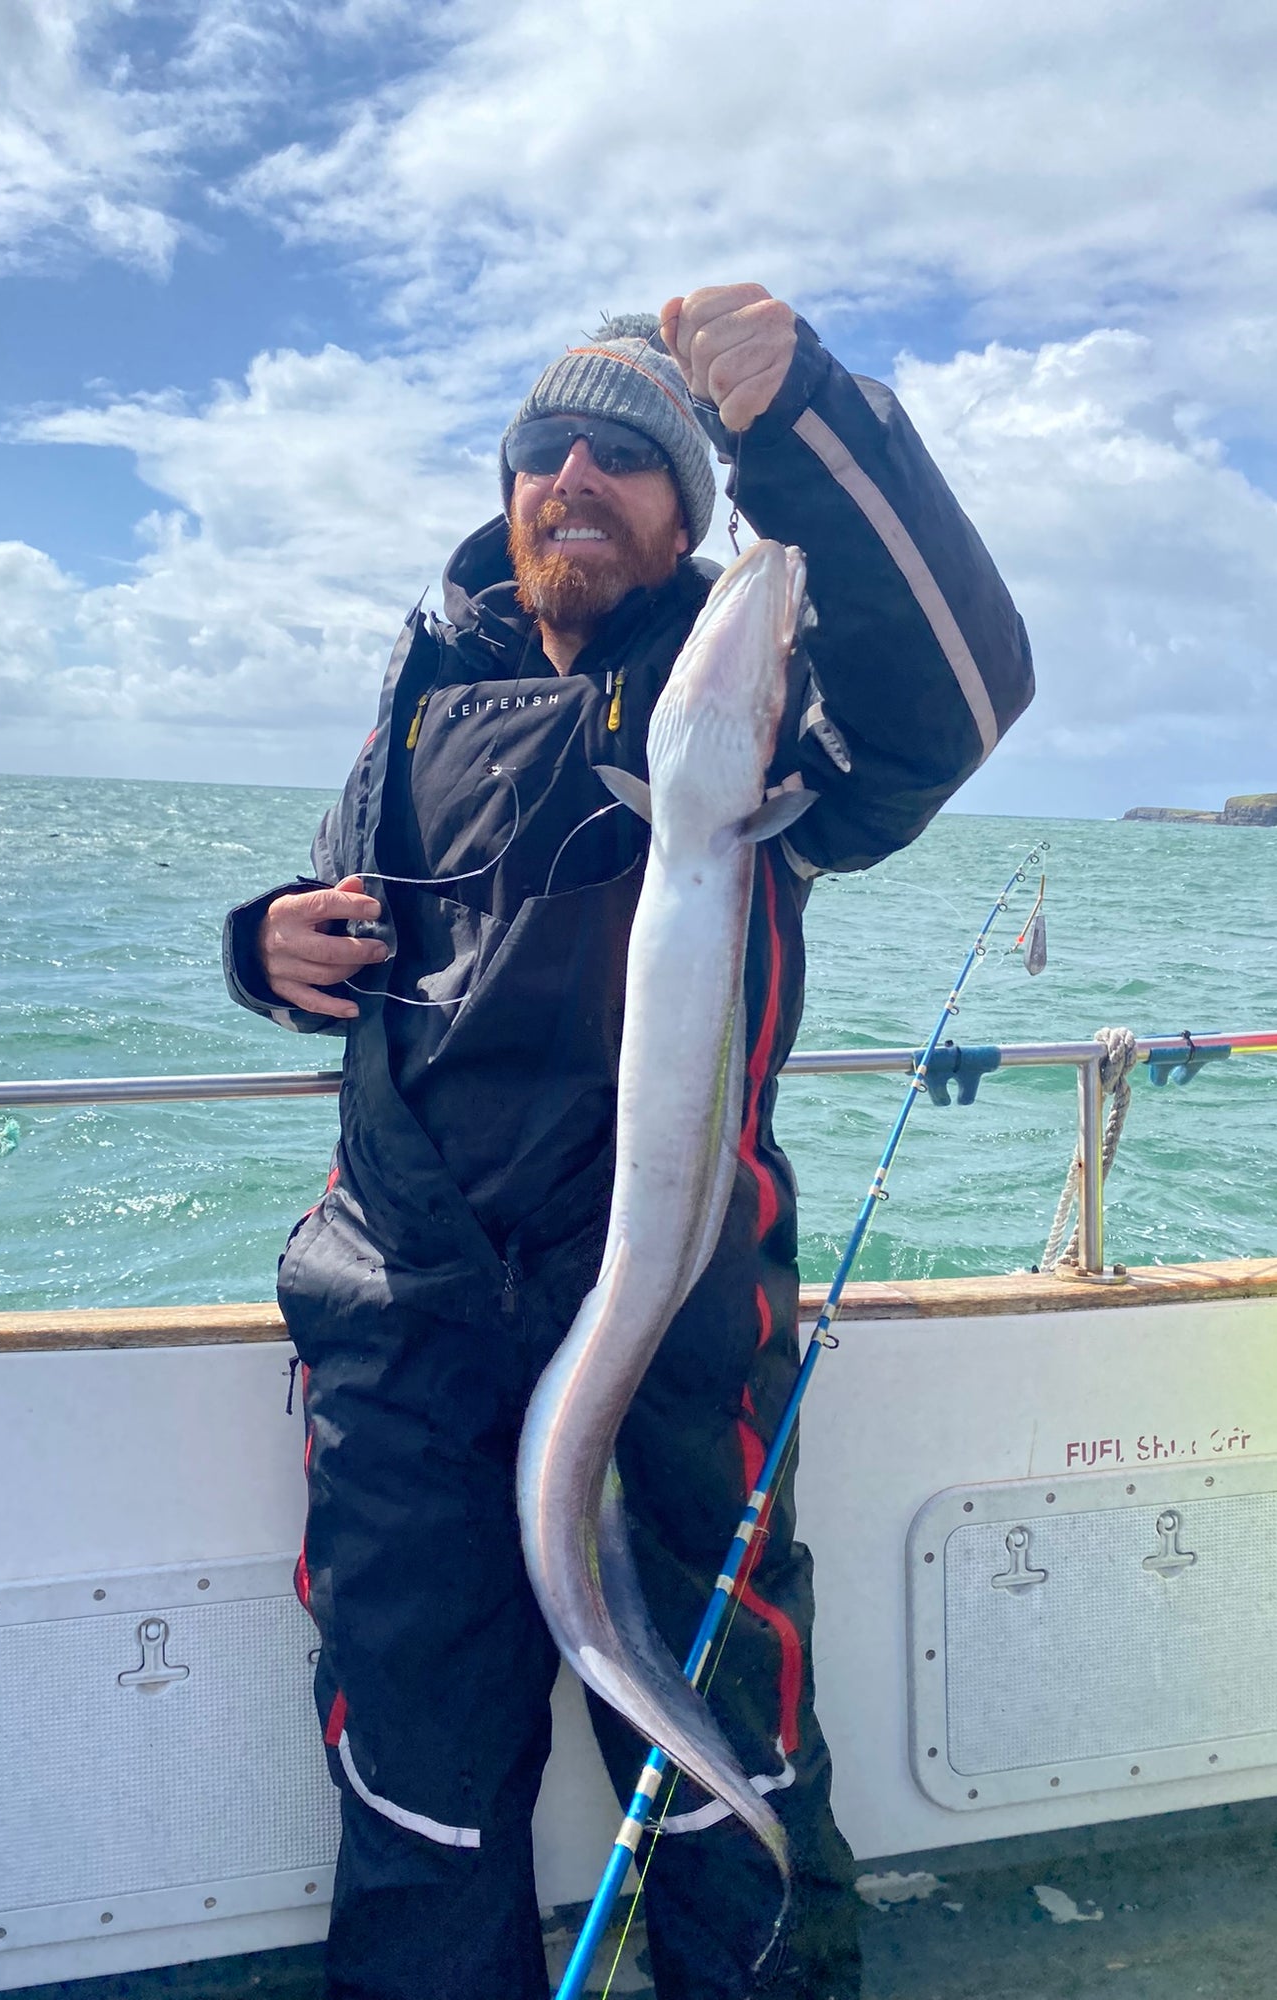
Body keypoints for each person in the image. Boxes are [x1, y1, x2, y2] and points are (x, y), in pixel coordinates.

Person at [225, 285, 1034, 2000]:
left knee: (727, 1773)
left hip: (671, 1325)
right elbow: (354, 925)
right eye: (548, 448)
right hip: (406, 1316)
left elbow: (956, 695)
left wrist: (808, 421)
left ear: (687, 509)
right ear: (513, 478)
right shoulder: (427, 683)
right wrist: (272, 944)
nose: (576, 477)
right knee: (417, 1791)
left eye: (629, 456)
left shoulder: (758, 721)